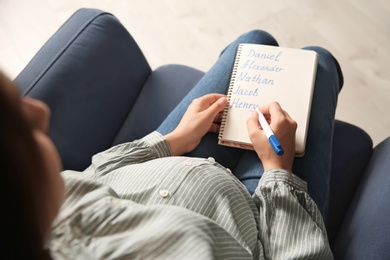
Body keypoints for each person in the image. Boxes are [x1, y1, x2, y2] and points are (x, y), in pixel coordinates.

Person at [1, 29, 343, 259]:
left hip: (164, 157)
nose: (40, 112)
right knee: (318, 61)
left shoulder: (43, 201)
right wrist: (278, 172)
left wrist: (172, 139)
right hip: (260, 211)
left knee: (255, 41)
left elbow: (97, 172)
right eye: (18, 125)